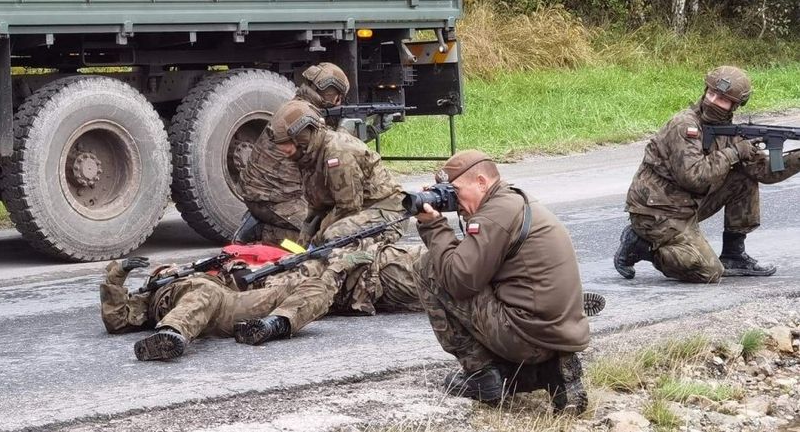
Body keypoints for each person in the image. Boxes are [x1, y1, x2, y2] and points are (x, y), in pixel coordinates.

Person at [415, 150, 590, 413]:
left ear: (482, 182)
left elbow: (459, 280)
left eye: (456, 190)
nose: (453, 199)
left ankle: (482, 374)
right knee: (456, 264)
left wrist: (433, 226)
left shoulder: (494, 215)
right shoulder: (513, 201)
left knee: (428, 267)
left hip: (525, 337)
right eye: (446, 192)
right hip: (559, 334)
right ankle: (552, 370)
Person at [615, 66, 800, 283]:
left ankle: (733, 255)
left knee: (743, 178)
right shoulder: (685, 126)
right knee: (709, 272)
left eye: (722, 98)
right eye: (711, 93)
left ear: (734, 105)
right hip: (657, 210)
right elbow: (693, 177)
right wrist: (734, 153)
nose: (712, 101)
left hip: (687, 204)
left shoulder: (730, 131)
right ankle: (640, 245)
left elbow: (764, 172)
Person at [99, 255, 352, 361]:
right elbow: (117, 320)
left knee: (313, 285)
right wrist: (117, 274)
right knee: (204, 291)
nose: (174, 267)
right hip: (186, 304)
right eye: (167, 268)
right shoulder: (153, 294)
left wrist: (336, 268)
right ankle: (169, 335)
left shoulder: (212, 273)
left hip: (229, 303)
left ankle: (273, 325)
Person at [238, 63, 351, 244]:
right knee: (328, 237)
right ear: (333, 94)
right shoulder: (308, 119)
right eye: (339, 96)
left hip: (264, 195)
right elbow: (320, 164)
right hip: (275, 200)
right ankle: (266, 234)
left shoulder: (295, 108)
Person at [268, 99, 406, 246]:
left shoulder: (338, 153)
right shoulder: (310, 154)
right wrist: (304, 242)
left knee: (333, 236)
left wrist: (317, 240)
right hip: (359, 210)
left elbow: (349, 207)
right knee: (299, 245)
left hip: (386, 211)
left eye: (287, 149)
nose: (284, 154)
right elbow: (317, 208)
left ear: (301, 139)